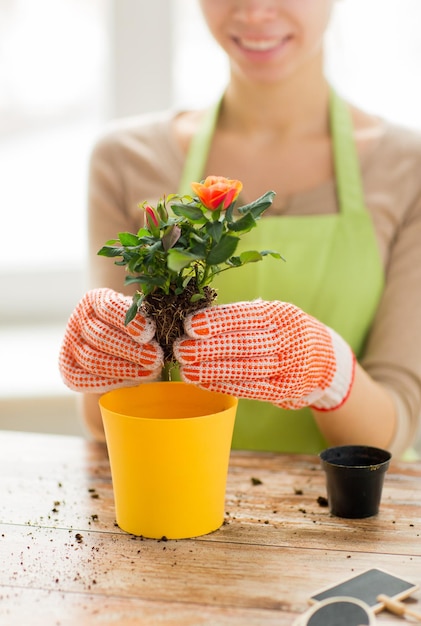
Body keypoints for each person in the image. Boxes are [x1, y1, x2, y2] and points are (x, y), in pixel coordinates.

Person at [59, 0, 421, 458]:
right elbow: (100, 420)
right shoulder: (126, 159)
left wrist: (327, 369)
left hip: (343, 513)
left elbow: (395, 430)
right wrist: (103, 353)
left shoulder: (408, 169)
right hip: (175, 488)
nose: (254, 11)